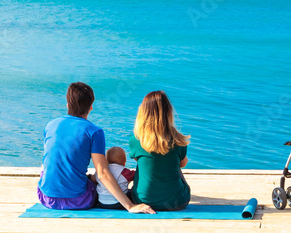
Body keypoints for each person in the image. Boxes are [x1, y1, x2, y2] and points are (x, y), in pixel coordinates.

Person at [38, 82, 154, 213]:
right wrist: (130, 206)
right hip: (78, 200)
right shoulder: (94, 132)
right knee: (97, 185)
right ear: (91, 107)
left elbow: (46, 162)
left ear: (67, 104)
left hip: (46, 197)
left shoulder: (50, 126)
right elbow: (102, 173)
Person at [128, 90, 191, 211]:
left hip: (143, 200)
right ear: (168, 113)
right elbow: (183, 163)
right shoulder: (178, 140)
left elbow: (138, 159)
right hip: (177, 201)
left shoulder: (136, 140)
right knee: (175, 165)